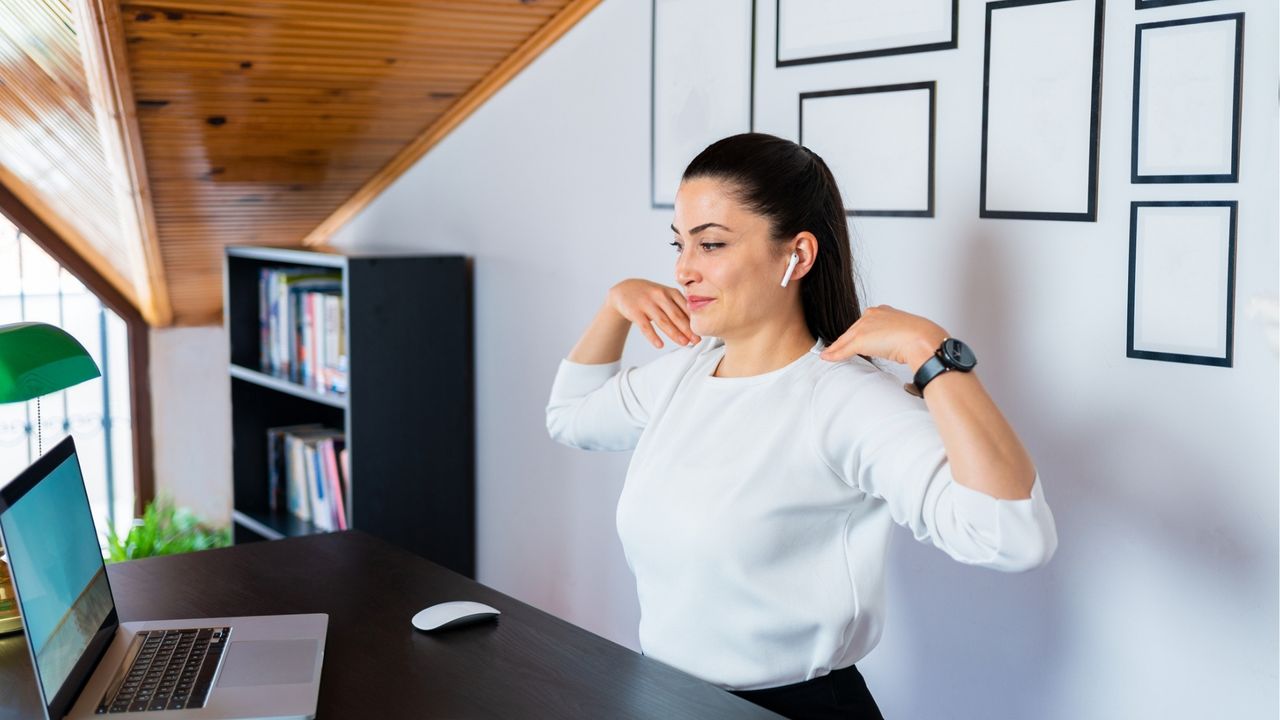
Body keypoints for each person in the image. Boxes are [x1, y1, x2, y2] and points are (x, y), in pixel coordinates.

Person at [545, 133, 1057, 719]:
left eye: (711, 244)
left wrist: (933, 353)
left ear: (799, 255)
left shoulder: (844, 400)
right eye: (680, 244)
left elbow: (1013, 536)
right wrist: (615, 307)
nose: (684, 269)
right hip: (669, 699)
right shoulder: (687, 373)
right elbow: (572, 418)